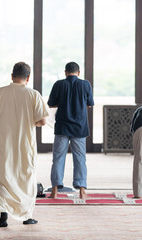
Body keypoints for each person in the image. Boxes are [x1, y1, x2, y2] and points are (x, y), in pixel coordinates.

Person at [0, 62, 48, 227]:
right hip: (25, 144)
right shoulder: (33, 94)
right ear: (28, 77)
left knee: (2, 178)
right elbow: (42, 121)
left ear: (12, 76)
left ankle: (3, 216)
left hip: (4, 143)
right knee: (24, 177)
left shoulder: (0, 93)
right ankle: (26, 216)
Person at [47, 62, 94, 199]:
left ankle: (54, 191)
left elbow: (51, 104)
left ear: (65, 72)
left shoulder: (59, 84)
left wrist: (63, 102)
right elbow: (90, 104)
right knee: (80, 159)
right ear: (78, 72)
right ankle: (81, 191)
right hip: (79, 128)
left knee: (58, 158)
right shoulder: (86, 85)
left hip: (62, 127)